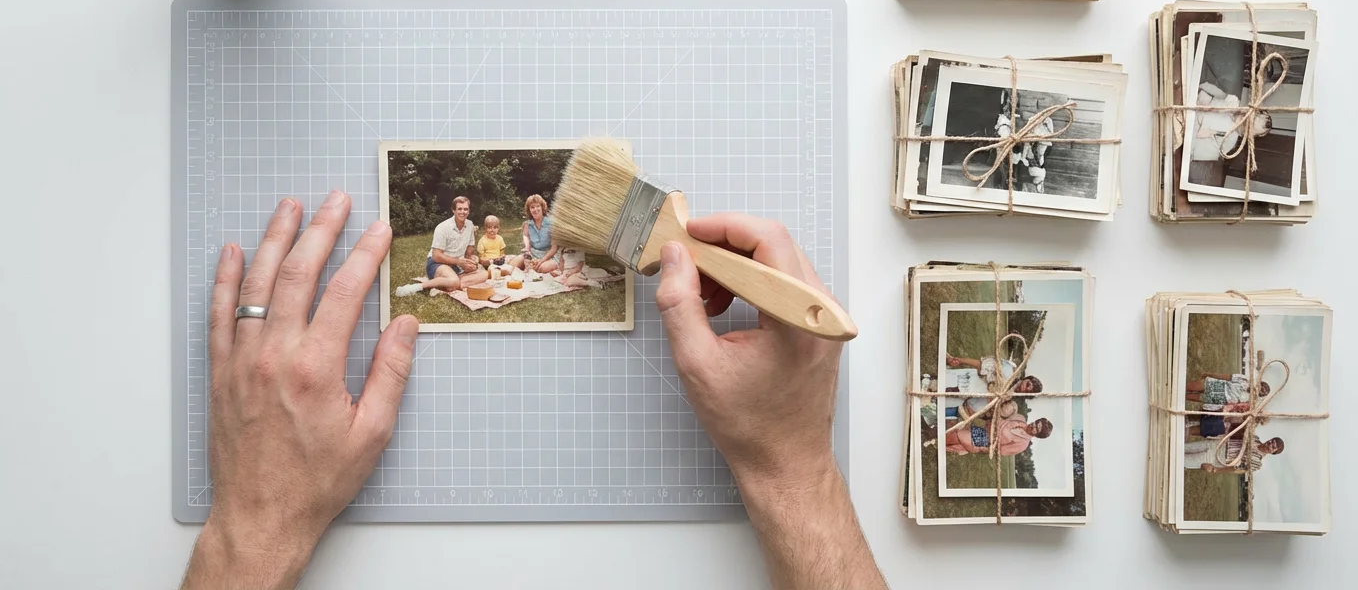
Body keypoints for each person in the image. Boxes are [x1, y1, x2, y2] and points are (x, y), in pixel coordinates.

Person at [182, 197, 885, 589]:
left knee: (530, 276)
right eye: (476, 212)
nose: (481, 217)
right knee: (469, 278)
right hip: (463, 269)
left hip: (521, 268)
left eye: (484, 214)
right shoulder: (460, 232)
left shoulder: (523, 231)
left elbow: (533, 255)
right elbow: (468, 254)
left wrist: (254, 527)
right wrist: (795, 467)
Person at [394, 195, 488, 297]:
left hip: (456, 265)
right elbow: (436, 256)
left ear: (469, 211)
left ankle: (451, 282)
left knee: (485, 274)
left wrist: (470, 262)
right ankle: (416, 287)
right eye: (459, 209)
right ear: (453, 210)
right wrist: (459, 262)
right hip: (437, 264)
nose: (463, 212)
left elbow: (469, 251)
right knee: (454, 281)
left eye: (465, 209)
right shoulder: (443, 227)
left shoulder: (470, 225)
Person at [943, 351, 1043, 421]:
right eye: (1029, 384)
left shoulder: (1007, 401)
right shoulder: (1008, 370)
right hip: (966, 381)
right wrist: (960, 361)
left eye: (1029, 391)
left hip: (963, 399)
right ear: (1027, 379)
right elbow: (981, 365)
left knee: (938, 402)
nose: (1027, 388)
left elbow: (977, 409)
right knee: (937, 383)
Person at [1191, 81, 1273, 163]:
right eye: (1250, 117)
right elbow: (1208, 88)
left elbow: (1196, 150)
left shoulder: (1229, 141)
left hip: (1189, 128)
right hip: (1192, 99)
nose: (1244, 120)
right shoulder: (1233, 102)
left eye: (1248, 126)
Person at [945, 413, 1052, 456]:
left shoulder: (1023, 444)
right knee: (956, 435)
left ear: (1037, 435)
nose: (1033, 425)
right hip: (985, 429)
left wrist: (984, 449)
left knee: (958, 435)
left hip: (985, 441)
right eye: (1036, 422)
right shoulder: (1021, 420)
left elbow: (1001, 451)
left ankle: (940, 440)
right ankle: (942, 444)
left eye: (1036, 428)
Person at [1183, 436, 1284, 473]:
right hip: (1215, 445)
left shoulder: (1257, 463)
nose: (1270, 444)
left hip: (1216, 459)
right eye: (1271, 441)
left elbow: (1236, 469)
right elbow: (1236, 434)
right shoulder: (1255, 438)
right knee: (1183, 447)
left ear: (1273, 452)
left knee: (1182, 460)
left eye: (1273, 447)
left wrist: (1214, 469)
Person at [521, 194, 559, 274]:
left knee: (541, 268)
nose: (535, 209)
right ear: (529, 210)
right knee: (514, 263)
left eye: (537, 206)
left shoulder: (551, 224)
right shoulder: (527, 225)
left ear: (542, 207)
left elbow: (554, 249)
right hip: (533, 254)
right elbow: (526, 238)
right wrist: (527, 249)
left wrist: (542, 260)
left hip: (549, 256)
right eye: (532, 207)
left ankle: (531, 270)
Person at [1185, 372, 1271, 404]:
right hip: (1217, 385)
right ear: (1259, 383)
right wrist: (1210, 374)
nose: (1258, 390)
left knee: (1186, 397)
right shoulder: (1245, 379)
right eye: (1261, 387)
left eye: (1261, 392)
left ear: (1259, 395)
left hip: (1219, 399)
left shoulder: (1249, 402)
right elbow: (1228, 377)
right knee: (1187, 387)